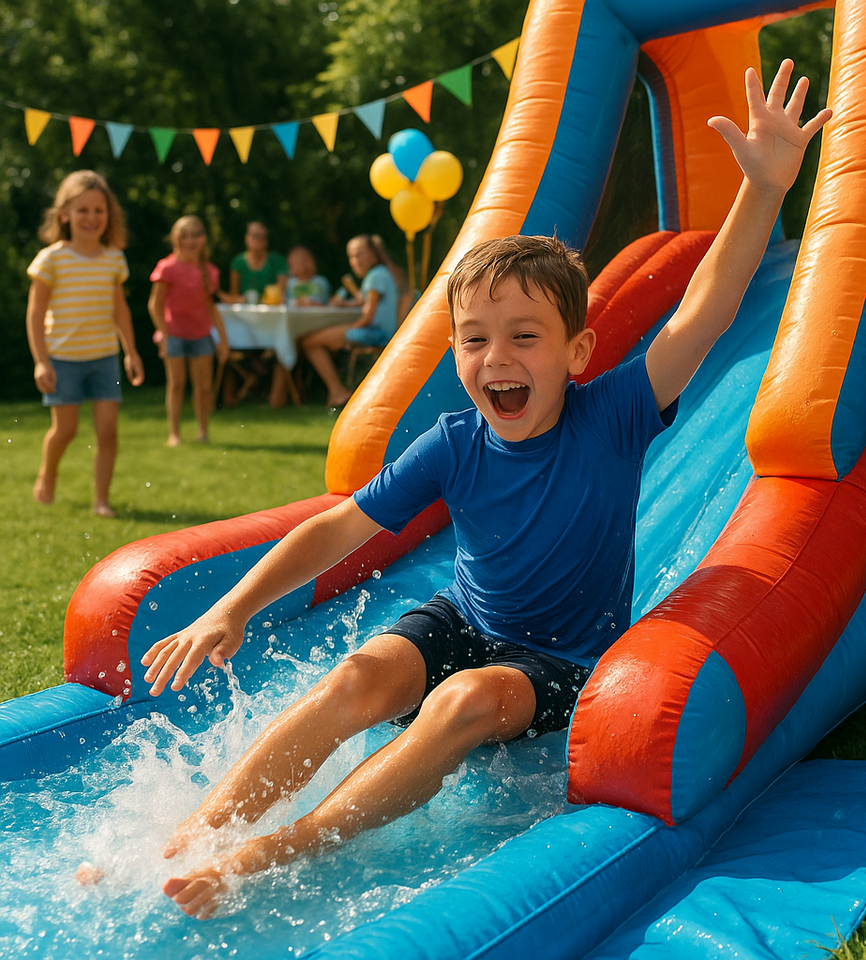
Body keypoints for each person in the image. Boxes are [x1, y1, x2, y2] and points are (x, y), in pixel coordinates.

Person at [138, 61, 830, 919]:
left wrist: (762, 191)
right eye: (474, 339)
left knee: (466, 699)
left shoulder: (613, 411)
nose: (496, 358)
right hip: (464, 619)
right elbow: (338, 529)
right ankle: (195, 840)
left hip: (563, 662)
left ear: (576, 353)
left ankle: (279, 849)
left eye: (525, 336)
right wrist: (233, 605)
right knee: (355, 678)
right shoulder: (455, 441)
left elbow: (707, 310)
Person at [26, 170, 144, 518]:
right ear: (64, 214)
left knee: (108, 431)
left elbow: (120, 310)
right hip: (62, 359)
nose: (91, 218)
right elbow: (35, 314)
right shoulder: (51, 259)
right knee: (65, 430)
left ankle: (101, 500)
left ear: (109, 216)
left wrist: (131, 352)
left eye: (99, 210)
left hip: (104, 357)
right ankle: (48, 471)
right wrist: (41, 361)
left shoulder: (113, 258)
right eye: (83, 210)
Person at [148, 216, 231, 446]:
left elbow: (211, 308)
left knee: (204, 387)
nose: (190, 240)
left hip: (201, 335)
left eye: (195, 235)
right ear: (175, 239)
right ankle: (174, 434)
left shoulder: (210, 271)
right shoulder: (167, 267)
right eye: (184, 235)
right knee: (176, 385)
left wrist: (223, 340)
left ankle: (203, 431)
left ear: (204, 239)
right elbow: (155, 305)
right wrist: (163, 333)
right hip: (174, 334)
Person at [300, 234, 399, 407]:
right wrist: (344, 305)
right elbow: (364, 302)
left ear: (373, 254)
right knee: (321, 339)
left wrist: (350, 330)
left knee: (309, 342)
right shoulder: (380, 273)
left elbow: (367, 316)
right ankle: (336, 391)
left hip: (377, 334)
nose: (354, 261)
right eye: (351, 257)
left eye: (358, 254)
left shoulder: (375, 276)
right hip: (381, 332)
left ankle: (338, 392)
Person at [225, 221, 288, 303]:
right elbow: (234, 295)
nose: (259, 240)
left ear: (267, 241)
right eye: (255, 235)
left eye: (263, 236)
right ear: (246, 237)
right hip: (246, 311)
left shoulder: (278, 261)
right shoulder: (238, 262)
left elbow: (281, 292)